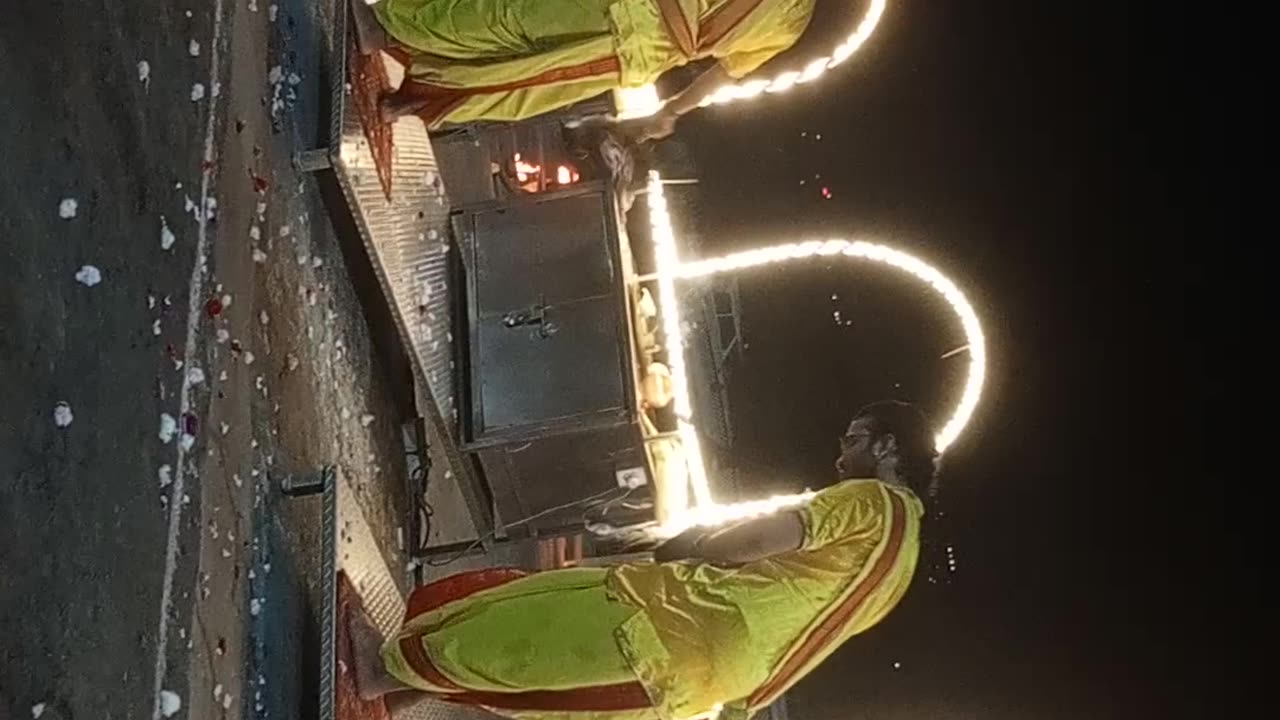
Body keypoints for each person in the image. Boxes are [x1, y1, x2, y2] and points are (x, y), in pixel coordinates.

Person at [350, 400, 937, 719]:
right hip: (707, 681)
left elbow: (764, 539)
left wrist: (697, 544)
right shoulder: (903, 560)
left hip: (679, 619)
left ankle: (380, 673)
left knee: (520, 626)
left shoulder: (876, 501)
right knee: (547, 689)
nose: (840, 458)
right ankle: (399, 691)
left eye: (854, 441)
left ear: (887, 447)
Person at [350, 0, 818, 138]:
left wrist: (672, 109)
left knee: (522, 78)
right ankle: (390, 30)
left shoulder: (790, 23)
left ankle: (410, 95)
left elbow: (727, 71)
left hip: (638, 49)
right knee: (506, 19)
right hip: (624, 17)